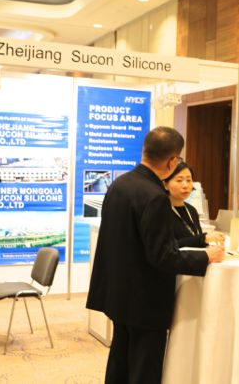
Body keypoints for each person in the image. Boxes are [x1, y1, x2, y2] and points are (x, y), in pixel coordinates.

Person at [86, 126, 225, 384]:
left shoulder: (119, 184)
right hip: (144, 299)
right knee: (144, 369)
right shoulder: (155, 197)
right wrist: (206, 257)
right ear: (172, 161)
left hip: (118, 292)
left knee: (120, 361)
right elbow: (163, 256)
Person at [163, 161, 225, 248]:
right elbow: (167, 246)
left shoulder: (191, 210)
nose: (185, 185)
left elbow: (195, 240)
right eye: (179, 180)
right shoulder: (161, 210)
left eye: (189, 180)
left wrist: (209, 240)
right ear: (165, 184)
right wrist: (203, 238)